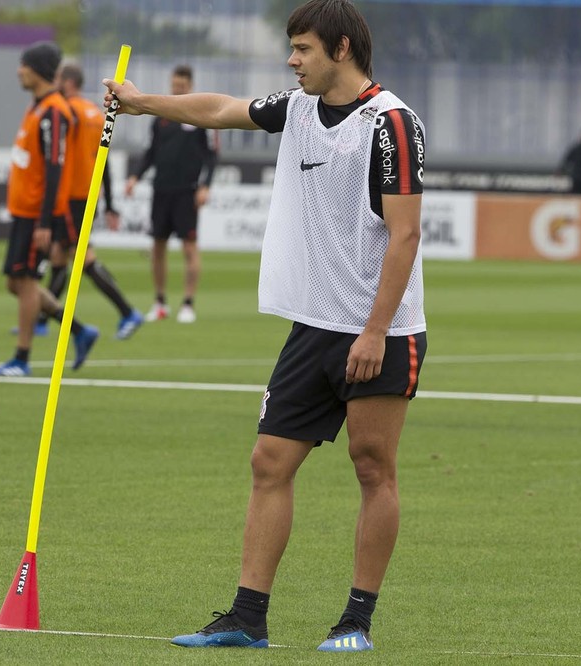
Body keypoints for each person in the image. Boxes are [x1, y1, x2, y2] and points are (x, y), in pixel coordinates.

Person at [104, 0, 426, 652]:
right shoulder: (299, 108)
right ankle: (247, 617)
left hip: (381, 331)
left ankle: (356, 620)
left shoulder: (391, 123)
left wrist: (373, 331)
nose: (292, 59)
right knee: (268, 462)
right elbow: (221, 109)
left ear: (340, 49)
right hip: (312, 326)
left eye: (303, 48)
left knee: (372, 467)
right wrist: (142, 104)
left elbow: (406, 235)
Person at [0, 41, 98, 377]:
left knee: (25, 282)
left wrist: (46, 221)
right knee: (16, 283)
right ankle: (79, 330)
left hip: (37, 214)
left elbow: (54, 168)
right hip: (24, 211)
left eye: (24, 64)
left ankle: (21, 359)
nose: (19, 70)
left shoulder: (53, 112)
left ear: (37, 70)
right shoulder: (37, 108)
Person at [50, 62, 144, 341]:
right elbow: (102, 161)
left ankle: (128, 311)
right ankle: (41, 315)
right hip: (87, 194)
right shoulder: (94, 113)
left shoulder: (69, 112)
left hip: (72, 195)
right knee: (59, 254)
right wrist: (109, 202)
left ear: (67, 83)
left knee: (83, 258)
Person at [124, 65, 219, 324]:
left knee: (189, 247)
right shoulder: (160, 117)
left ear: (189, 86)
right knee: (157, 246)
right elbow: (151, 152)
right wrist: (135, 177)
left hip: (187, 191)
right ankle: (160, 302)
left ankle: (188, 303)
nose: (177, 89)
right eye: (174, 85)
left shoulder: (200, 115)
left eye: (182, 86)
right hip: (161, 190)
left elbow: (211, 155)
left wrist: (205, 185)